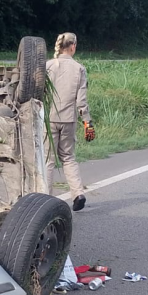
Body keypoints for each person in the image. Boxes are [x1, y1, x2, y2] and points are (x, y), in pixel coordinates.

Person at [45, 32, 94, 211]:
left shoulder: (48, 66)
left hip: (49, 120)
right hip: (69, 120)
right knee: (68, 158)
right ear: (72, 46)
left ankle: (46, 199)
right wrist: (87, 123)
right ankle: (78, 194)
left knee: (48, 161)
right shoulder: (79, 69)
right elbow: (81, 102)